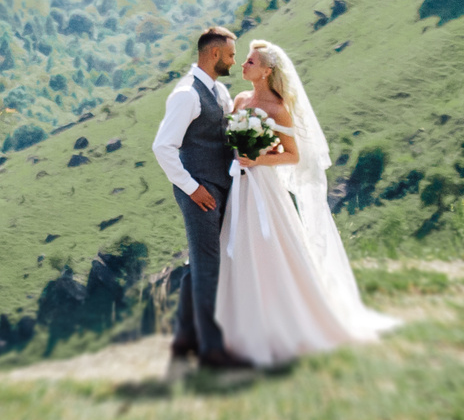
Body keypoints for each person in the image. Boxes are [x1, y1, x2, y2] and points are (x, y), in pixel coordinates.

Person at [216, 39, 399, 367]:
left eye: (251, 62)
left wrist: (257, 159)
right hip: (239, 188)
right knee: (240, 248)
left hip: (264, 190)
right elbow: (229, 142)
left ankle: (286, 324)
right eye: (244, 60)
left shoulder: (277, 108)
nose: (243, 65)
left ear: (267, 72)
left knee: (269, 248)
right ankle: (242, 331)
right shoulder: (241, 99)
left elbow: (293, 154)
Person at [151, 25, 247, 369]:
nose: (235, 61)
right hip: (199, 194)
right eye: (232, 54)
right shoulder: (186, 95)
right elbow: (162, 146)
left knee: (198, 265)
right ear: (214, 54)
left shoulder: (220, 91)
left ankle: (184, 340)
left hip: (220, 188)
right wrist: (192, 188)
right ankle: (211, 351)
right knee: (209, 268)